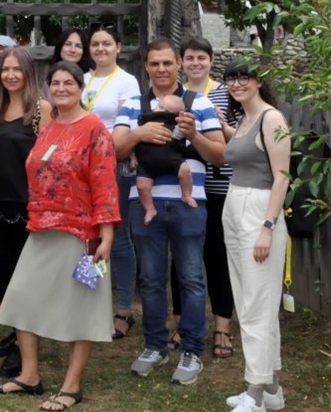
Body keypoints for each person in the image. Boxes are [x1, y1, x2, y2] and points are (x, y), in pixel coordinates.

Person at [0, 61, 119, 411]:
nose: (61, 88)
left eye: (68, 83)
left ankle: (72, 386)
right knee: (19, 299)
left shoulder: (94, 128)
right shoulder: (48, 126)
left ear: (81, 88)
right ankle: (30, 375)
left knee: (83, 310)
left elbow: (105, 184)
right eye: (56, 84)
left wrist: (105, 236)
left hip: (82, 234)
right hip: (42, 228)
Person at [116, 38, 225, 386]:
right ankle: (154, 345)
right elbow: (115, 148)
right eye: (154, 64)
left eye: (167, 63)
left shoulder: (199, 102)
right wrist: (138, 133)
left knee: (191, 277)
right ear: (145, 67)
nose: (161, 70)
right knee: (149, 278)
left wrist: (195, 136)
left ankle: (191, 349)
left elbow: (219, 155)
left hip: (188, 201)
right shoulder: (133, 103)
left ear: (178, 64)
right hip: (144, 201)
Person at [217, 60, 292, 412]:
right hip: (235, 207)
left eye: (243, 77)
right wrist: (218, 122)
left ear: (259, 81)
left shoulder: (272, 119)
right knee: (250, 300)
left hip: (259, 212)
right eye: (231, 78)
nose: (236, 83)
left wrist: (267, 227)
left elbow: (282, 178)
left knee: (255, 307)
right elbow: (243, 150)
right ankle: (272, 385)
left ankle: (255, 396)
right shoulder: (245, 120)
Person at [0, 44, 49, 375]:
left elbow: (51, 160)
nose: (10, 75)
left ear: (28, 73)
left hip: (29, 204)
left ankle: (27, 352)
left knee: (26, 281)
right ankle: (16, 333)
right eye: (4, 69)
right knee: (0, 275)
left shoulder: (41, 110)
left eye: (16, 69)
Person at [82, 24, 142, 340]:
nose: (101, 49)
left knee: (117, 238)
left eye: (107, 43)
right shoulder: (83, 80)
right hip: (82, 168)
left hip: (113, 166)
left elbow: (130, 123)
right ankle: (94, 302)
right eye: (95, 44)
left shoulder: (127, 81)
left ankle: (124, 309)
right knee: (88, 236)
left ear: (119, 47)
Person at [182, 36, 239, 361]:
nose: (195, 63)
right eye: (189, 58)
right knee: (183, 259)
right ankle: (184, 324)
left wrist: (217, 121)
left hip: (219, 187)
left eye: (201, 58)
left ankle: (221, 325)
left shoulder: (224, 92)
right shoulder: (177, 95)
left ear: (210, 60)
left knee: (217, 257)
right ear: (182, 62)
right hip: (184, 188)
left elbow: (239, 135)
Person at [133, 94, 198, 221]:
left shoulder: (177, 125)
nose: (161, 111)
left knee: (185, 171)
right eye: (160, 106)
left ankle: (186, 194)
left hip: (172, 158)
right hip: (147, 161)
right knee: (142, 186)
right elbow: (134, 141)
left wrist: (183, 126)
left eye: (167, 110)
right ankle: (150, 209)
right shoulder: (145, 122)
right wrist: (133, 157)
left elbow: (180, 136)